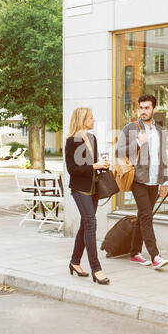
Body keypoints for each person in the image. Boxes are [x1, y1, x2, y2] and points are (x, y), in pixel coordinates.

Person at [115, 94, 168, 270]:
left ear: (154, 109)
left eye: (147, 108)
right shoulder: (130, 128)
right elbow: (118, 152)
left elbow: (163, 158)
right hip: (138, 180)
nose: (144, 111)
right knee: (146, 216)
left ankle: (134, 253)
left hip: (154, 181)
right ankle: (155, 256)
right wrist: (138, 142)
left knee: (143, 216)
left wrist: (164, 182)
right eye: (141, 108)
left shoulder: (160, 131)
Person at [65, 107, 110, 285]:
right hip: (80, 189)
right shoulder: (71, 141)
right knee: (91, 223)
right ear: (82, 119)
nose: (93, 120)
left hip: (93, 189)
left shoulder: (92, 138)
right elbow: (72, 170)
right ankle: (96, 269)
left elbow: (93, 163)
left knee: (85, 225)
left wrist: (102, 165)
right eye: (90, 118)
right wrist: (94, 166)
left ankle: (75, 262)